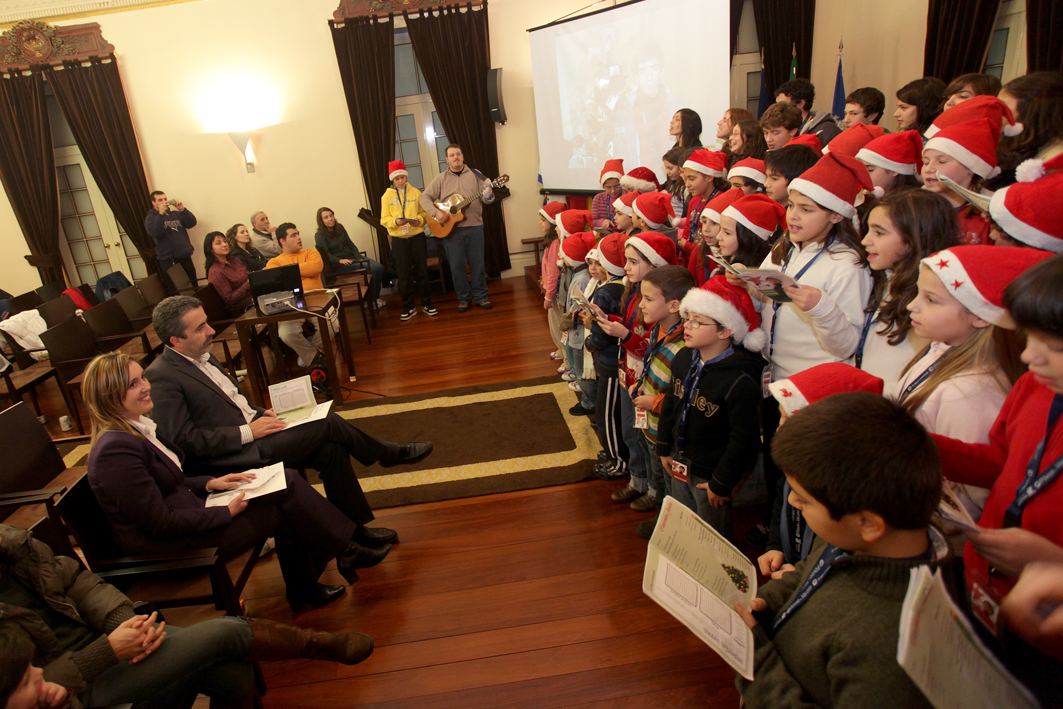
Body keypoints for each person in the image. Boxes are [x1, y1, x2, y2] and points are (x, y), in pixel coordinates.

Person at [81, 352, 384, 608]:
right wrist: (221, 512)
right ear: (110, 395)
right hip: (177, 549)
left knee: (284, 482)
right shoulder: (115, 451)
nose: (146, 387)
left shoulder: (136, 427)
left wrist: (209, 484)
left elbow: (171, 481)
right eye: (133, 384)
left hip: (194, 515)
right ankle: (338, 557)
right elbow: (158, 523)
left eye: (142, 378)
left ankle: (329, 566)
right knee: (286, 496)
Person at [143, 295, 432, 543]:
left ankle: (354, 532)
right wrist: (249, 431)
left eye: (207, 321)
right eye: (200, 328)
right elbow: (183, 441)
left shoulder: (200, 353)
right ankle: (384, 453)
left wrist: (259, 413)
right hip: (233, 457)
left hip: (253, 436)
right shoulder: (162, 376)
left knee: (331, 450)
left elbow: (230, 403)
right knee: (326, 423)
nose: (210, 330)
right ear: (176, 340)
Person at [0, 528, 377, 709]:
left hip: (114, 643)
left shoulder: (12, 547)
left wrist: (121, 622)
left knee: (233, 675)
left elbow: (79, 583)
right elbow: (15, 685)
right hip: (76, 683)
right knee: (227, 634)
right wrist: (107, 651)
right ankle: (319, 644)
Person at [734, 393, 947, 709]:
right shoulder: (849, 538)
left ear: (868, 523)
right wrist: (766, 601)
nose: (792, 502)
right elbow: (812, 569)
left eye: (804, 500)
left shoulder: (887, 649)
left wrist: (755, 658)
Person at [930, 254, 1063, 704]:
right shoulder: (1036, 385)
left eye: (1055, 345)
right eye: (1029, 337)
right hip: (983, 589)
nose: (1027, 356)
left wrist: (1056, 565)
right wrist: (920, 443)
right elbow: (1002, 462)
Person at [729, 153, 873, 548]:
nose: (792, 216)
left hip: (812, 390)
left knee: (799, 480)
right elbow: (771, 304)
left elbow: (845, 346)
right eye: (791, 205)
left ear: (836, 216)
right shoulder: (788, 248)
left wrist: (820, 307)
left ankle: (790, 551)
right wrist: (750, 286)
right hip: (776, 376)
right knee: (778, 470)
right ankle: (776, 538)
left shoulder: (848, 266)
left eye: (807, 209)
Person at [897, 246, 1044, 526]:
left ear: (980, 316)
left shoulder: (968, 393)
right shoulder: (940, 349)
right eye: (918, 293)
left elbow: (979, 496)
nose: (911, 305)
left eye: (931, 300)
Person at [655, 275, 763, 542]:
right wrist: (664, 447)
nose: (686, 326)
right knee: (684, 523)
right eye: (687, 318)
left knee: (712, 535)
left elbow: (743, 439)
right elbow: (671, 404)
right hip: (680, 460)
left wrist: (722, 482)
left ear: (725, 331)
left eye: (697, 321)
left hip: (710, 475)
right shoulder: (683, 358)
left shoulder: (739, 381)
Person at [759, 364, 886, 579]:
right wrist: (775, 545)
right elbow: (781, 503)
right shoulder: (796, 460)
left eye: (792, 421)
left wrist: (801, 576)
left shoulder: (848, 493)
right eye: (781, 417)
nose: (780, 429)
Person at [594, 233, 676, 510]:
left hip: (647, 382)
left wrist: (624, 333)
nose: (625, 267)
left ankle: (654, 490)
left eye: (632, 261)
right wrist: (609, 320)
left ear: (655, 265)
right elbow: (632, 326)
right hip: (627, 375)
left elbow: (649, 346)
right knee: (631, 432)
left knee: (646, 439)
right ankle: (638, 480)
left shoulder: (659, 303)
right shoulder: (634, 293)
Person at [625, 265, 695, 531]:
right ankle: (661, 521)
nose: (641, 304)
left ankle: (671, 529)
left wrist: (653, 402)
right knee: (660, 479)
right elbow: (651, 364)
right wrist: (640, 386)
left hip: (668, 432)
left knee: (673, 487)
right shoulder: (657, 329)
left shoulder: (684, 347)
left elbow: (684, 400)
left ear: (674, 305)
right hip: (652, 428)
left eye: (649, 299)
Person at [419, 144, 495, 312]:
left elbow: (487, 200)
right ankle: (463, 299)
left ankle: (481, 298)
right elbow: (424, 198)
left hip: (475, 226)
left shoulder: (476, 174)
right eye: (452, 155)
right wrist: (437, 214)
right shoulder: (441, 178)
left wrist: (489, 195)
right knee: (457, 266)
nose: (456, 157)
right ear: (447, 159)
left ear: (462, 156)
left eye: (458, 154)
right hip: (451, 230)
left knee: (478, 264)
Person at [262, 222, 335, 379]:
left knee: (333, 324)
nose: (299, 238)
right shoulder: (274, 261)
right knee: (286, 333)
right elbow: (273, 276)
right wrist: (303, 270)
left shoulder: (311, 252)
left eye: (298, 233)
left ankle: (307, 353)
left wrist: (288, 272)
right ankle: (315, 356)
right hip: (291, 303)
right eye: (293, 235)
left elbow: (316, 267)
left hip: (317, 298)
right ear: (282, 241)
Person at [584, 232, 630, 480]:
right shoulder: (624, 286)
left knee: (608, 415)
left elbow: (601, 334)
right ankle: (616, 451)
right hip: (618, 359)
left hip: (611, 363)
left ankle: (618, 460)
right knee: (613, 413)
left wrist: (590, 342)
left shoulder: (605, 293)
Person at [922, 118, 1000, 245]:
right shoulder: (915, 207)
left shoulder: (988, 216)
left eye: (941, 161)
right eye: (925, 162)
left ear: (971, 168)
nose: (929, 169)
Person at [380, 162, 435, 321]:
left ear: (406, 176)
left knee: (422, 271)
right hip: (398, 239)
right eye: (397, 178)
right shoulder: (387, 196)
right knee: (404, 274)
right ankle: (409, 307)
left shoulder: (416, 193)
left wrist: (419, 220)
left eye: (402, 177)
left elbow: (425, 213)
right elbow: (384, 219)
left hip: (417, 237)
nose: (400, 181)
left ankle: (427, 304)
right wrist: (395, 222)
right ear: (393, 180)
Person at [315, 206, 386, 309]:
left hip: (352, 258)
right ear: (321, 221)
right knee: (372, 268)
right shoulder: (319, 235)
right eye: (326, 217)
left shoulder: (339, 227)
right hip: (339, 264)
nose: (330, 219)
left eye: (331, 215)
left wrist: (358, 258)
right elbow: (325, 255)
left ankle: (376, 297)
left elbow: (350, 244)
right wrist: (339, 260)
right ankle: (370, 301)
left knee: (379, 267)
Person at [558, 232, 596, 408]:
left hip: (579, 334)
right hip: (576, 332)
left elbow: (578, 307)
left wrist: (569, 317)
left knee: (582, 372)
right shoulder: (578, 274)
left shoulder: (581, 278)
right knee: (579, 368)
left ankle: (589, 402)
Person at [144, 191, 197, 292]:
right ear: (153, 202)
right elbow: (156, 233)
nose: (164, 202)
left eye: (165, 199)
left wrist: (182, 210)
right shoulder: (151, 218)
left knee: (193, 288)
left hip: (185, 256)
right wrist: (160, 215)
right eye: (160, 200)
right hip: (169, 260)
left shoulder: (175, 214)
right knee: (177, 291)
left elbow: (191, 223)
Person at [717, 194, 782, 271]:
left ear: (749, 238)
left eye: (727, 233)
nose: (718, 237)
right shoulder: (730, 260)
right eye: (720, 229)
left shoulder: (760, 273)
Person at [855, 130, 925, 197]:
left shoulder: (909, 205)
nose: (863, 176)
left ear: (895, 170)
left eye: (870, 170)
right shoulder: (865, 196)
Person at [776, 78, 843, 147]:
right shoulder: (783, 129)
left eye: (783, 105)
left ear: (800, 103)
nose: (777, 109)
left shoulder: (827, 131)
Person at [204, 230, 252, 317]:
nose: (224, 245)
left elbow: (247, 274)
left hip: (253, 297)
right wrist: (248, 283)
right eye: (218, 243)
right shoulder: (216, 271)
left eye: (225, 241)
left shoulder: (233, 259)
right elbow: (230, 298)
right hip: (242, 309)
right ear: (211, 249)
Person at [591, 159, 625, 229]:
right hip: (605, 237)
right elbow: (592, 221)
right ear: (603, 186)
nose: (613, 191)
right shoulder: (598, 199)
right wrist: (602, 222)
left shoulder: (627, 197)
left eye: (617, 186)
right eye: (608, 187)